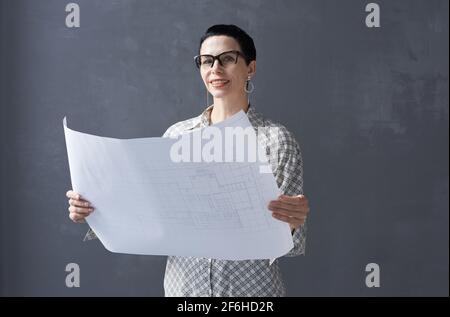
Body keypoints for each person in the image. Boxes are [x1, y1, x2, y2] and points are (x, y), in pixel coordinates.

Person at [66, 24, 310, 296]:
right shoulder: (177, 135)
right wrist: (93, 211)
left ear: (250, 68)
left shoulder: (276, 140)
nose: (215, 68)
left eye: (227, 58)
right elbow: (151, 209)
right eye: (206, 61)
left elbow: (289, 241)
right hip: (184, 292)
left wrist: (291, 220)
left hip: (251, 294)